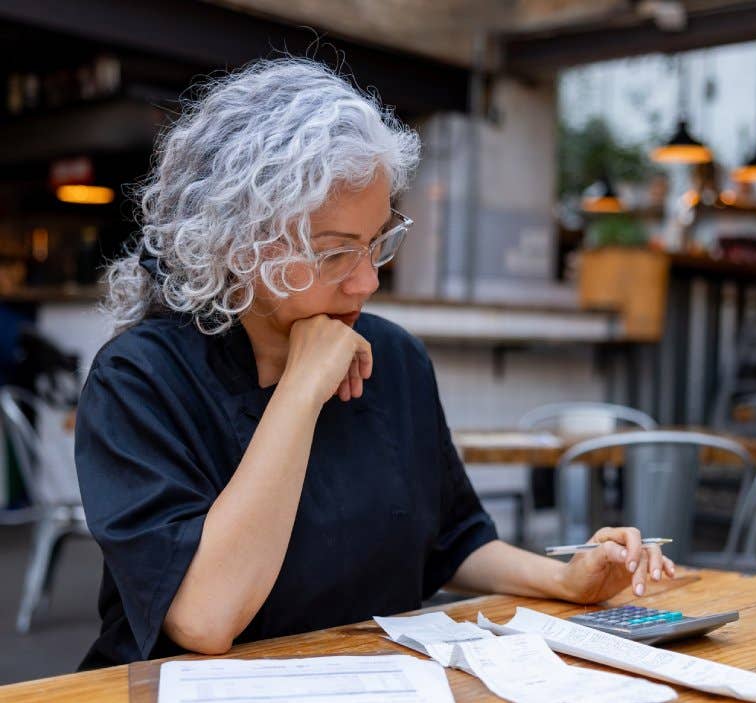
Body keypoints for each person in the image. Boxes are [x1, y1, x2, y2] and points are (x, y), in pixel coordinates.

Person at [74, 58, 674, 669]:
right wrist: (302, 389)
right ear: (235, 244)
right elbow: (205, 618)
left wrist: (565, 581)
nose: (367, 282)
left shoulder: (394, 358)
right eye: (336, 253)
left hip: (377, 698)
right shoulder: (140, 380)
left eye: (377, 243)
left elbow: (454, 541)